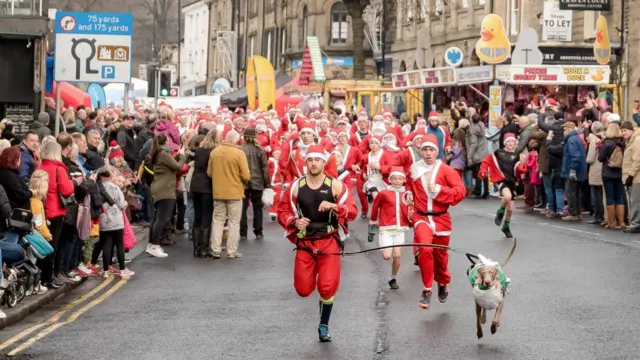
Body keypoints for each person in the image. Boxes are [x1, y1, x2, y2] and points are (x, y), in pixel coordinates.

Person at [277, 144, 357, 342]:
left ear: (324, 162)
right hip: (305, 242)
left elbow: (352, 211)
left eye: (317, 160)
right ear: (306, 163)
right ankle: (320, 304)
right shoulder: (296, 186)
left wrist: (336, 206)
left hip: (329, 240)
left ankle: (323, 325)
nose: (313, 164)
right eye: (310, 160)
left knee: (327, 286)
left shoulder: (336, 185)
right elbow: (282, 211)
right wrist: (293, 221)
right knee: (303, 290)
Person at [405, 134, 465, 309]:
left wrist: (439, 190)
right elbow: (408, 185)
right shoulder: (415, 169)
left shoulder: (446, 170)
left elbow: (460, 191)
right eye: (425, 149)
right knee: (424, 248)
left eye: (431, 149)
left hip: (441, 218)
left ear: (436, 151)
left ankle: (442, 282)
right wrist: (408, 193)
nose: (428, 153)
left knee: (441, 257)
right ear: (420, 151)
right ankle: (427, 289)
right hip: (421, 216)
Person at [207, 130, 250, 259]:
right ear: (236, 140)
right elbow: (246, 175)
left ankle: (215, 249)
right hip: (235, 192)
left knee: (218, 220)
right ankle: (231, 251)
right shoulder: (239, 153)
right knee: (234, 222)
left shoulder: (215, 152)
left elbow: (209, 172)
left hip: (218, 192)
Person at [369, 166, 412, 290]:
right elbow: (375, 207)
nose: (397, 181)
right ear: (390, 179)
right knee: (387, 256)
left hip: (400, 229)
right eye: (395, 178)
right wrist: (372, 224)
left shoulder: (407, 194)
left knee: (397, 256)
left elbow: (412, 210)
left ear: (404, 180)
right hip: (386, 229)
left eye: (400, 178)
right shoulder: (384, 193)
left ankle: (392, 278)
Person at [479, 133, 525, 238]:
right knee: (507, 196)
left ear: (515, 143)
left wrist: (522, 163)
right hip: (501, 179)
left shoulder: (517, 155)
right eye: (508, 141)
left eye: (512, 141)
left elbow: (520, 170)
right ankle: (500, 212)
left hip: (512, 181)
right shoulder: (498, 153)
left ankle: (506, 226)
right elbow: (486, 161)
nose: (510, 143)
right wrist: (483, 171)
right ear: (505, 143)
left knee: (510, 209)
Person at [147, 134, 187, 257]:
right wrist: (182, 156)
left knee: (156, 218)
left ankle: (152, 244)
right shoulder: (164, 154)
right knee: (162, 219)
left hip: (158, 187)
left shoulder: (158, 153)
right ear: (166, 141)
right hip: (165, 190)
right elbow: (178, 167)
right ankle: (154, 245)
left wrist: (178, 156)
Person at [239, 127, 270, 241]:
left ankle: (243, 233)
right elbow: (264, 169)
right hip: (258, 182)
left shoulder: (240, 149)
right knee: (258, 207)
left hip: (243, 182)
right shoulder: (260, 150)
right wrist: (267, 184)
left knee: (242, 208)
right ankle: (258, 232)